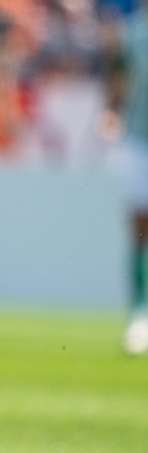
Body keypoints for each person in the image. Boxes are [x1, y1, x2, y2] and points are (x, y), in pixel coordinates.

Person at [109, 1, 148, 354]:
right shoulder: (135, 28)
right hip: (140, 138)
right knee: (139, 225)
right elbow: (121, 77)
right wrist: (112, 110)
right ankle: (140, 313)